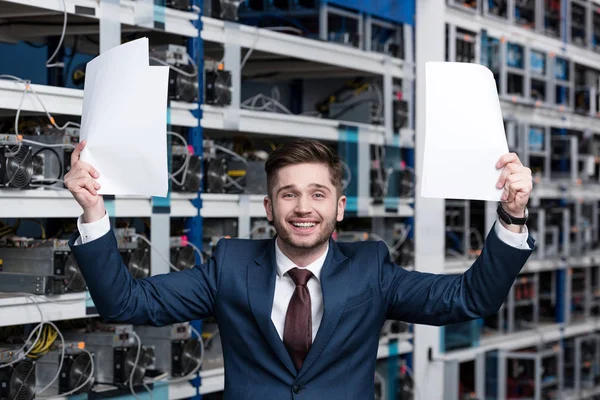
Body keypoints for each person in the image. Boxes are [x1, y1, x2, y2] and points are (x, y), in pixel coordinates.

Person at [65, 138, 535, 399]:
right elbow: (124, 301)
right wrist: (92, 212)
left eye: (317, 193)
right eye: (289, 194)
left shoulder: (371, 269)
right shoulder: (228, 267)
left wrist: (512, 217)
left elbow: (471, 298)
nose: (303, 207)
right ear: (269, 207)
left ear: (340, 207)